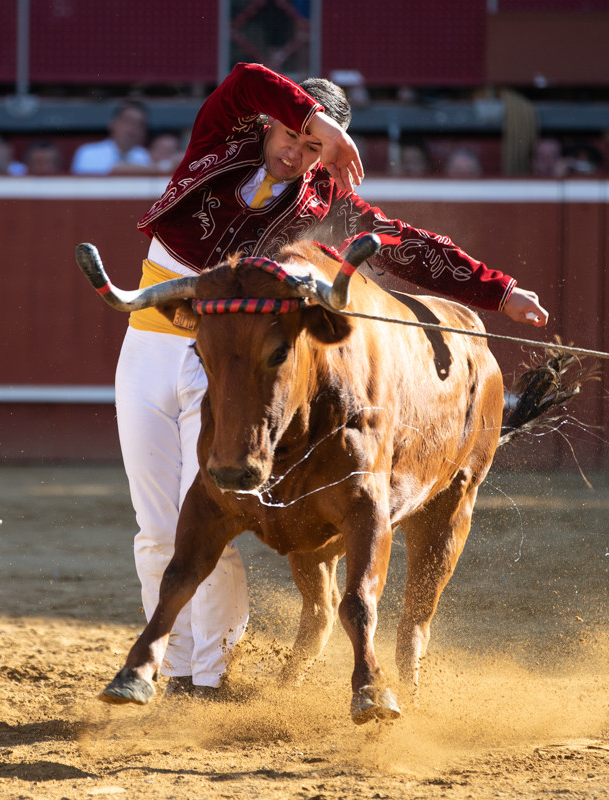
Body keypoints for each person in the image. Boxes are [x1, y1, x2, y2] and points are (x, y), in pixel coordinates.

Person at [106, 62, 549, 701]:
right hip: (151, 340)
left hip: (240, 362)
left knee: (205, 511)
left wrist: (498, 292)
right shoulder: (221, 141)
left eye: (314, 149)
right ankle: (172, 668)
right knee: (154, 526)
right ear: (269, 125)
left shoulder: (326, 200)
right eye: (292, 136)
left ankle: (207, 675)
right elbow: (244, 79)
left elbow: (404, 244)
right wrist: (318, 125)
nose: (297, 154)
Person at [71, 100, 153, 175]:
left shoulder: (145, 156)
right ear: (112, 124)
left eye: (139, 124)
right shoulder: (88, 153)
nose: (132, 129)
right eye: (127, 121)